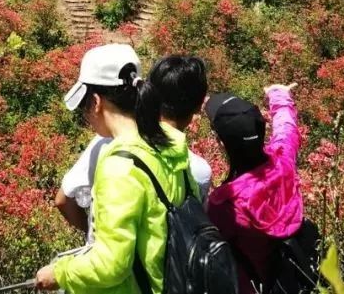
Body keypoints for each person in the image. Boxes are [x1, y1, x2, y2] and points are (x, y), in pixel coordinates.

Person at [35, 44, 195, 294]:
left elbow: (112, 265)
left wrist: (59, 272)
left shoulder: (119, 164)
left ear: (96, 102)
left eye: (85, 107)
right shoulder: (171, 144)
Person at [56, 54, 213, 243]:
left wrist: (94, 237)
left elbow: (63, 201)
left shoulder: (108, 149)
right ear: (199, 106)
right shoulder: (197, 169)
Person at [206, 85, 311, 294]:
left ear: (220, 143)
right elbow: (286, 128)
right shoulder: (284, 163)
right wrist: (278, 92)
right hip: (295, 278)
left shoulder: (224, 205)